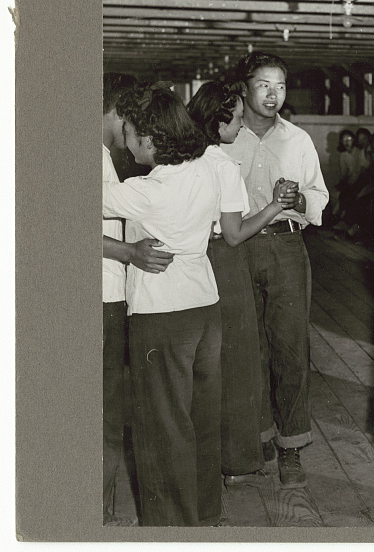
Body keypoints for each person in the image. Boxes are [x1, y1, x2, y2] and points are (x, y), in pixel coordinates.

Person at [102, 84, 224, 525]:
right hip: (205, 305)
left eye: (130, 131)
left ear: (151, 140)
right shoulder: (205, 170)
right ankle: (206, 514)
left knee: (161, 425)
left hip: (162, 311)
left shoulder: (145, 190)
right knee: (201, 417)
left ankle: (171, 530)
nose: (126, 138)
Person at [221, 51, 329, 489]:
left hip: (287, 246)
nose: (273, 94)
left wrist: (299, 201)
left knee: (290, 347)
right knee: (248, 349)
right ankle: (257, 439)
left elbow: (320, 198)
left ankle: (292, 447)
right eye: (264, 84)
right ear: (244, 87)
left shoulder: (298, 140)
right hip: (238, 249)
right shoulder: (225, 138)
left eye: (280, 86)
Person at [187, 79, 299, 488]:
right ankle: (235, 460)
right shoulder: (222, 164)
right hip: (229, 264)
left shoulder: (186, 158)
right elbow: (234, 233)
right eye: (234, 120)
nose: (239, 127)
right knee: (238, 365)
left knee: (207, 363)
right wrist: (275, 206)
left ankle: (207, 459)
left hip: (200, 261)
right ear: (217, 124)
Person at [101, 72, 175, 524]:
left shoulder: (104, 157)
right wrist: (129, 252)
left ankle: (100, 512)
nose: (133, 142)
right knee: (107, 418)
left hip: (109, 294)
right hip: (102, 297)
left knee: (107, 415)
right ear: (119, 113)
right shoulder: (91, 155)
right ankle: (98, 520)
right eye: (132, 126)